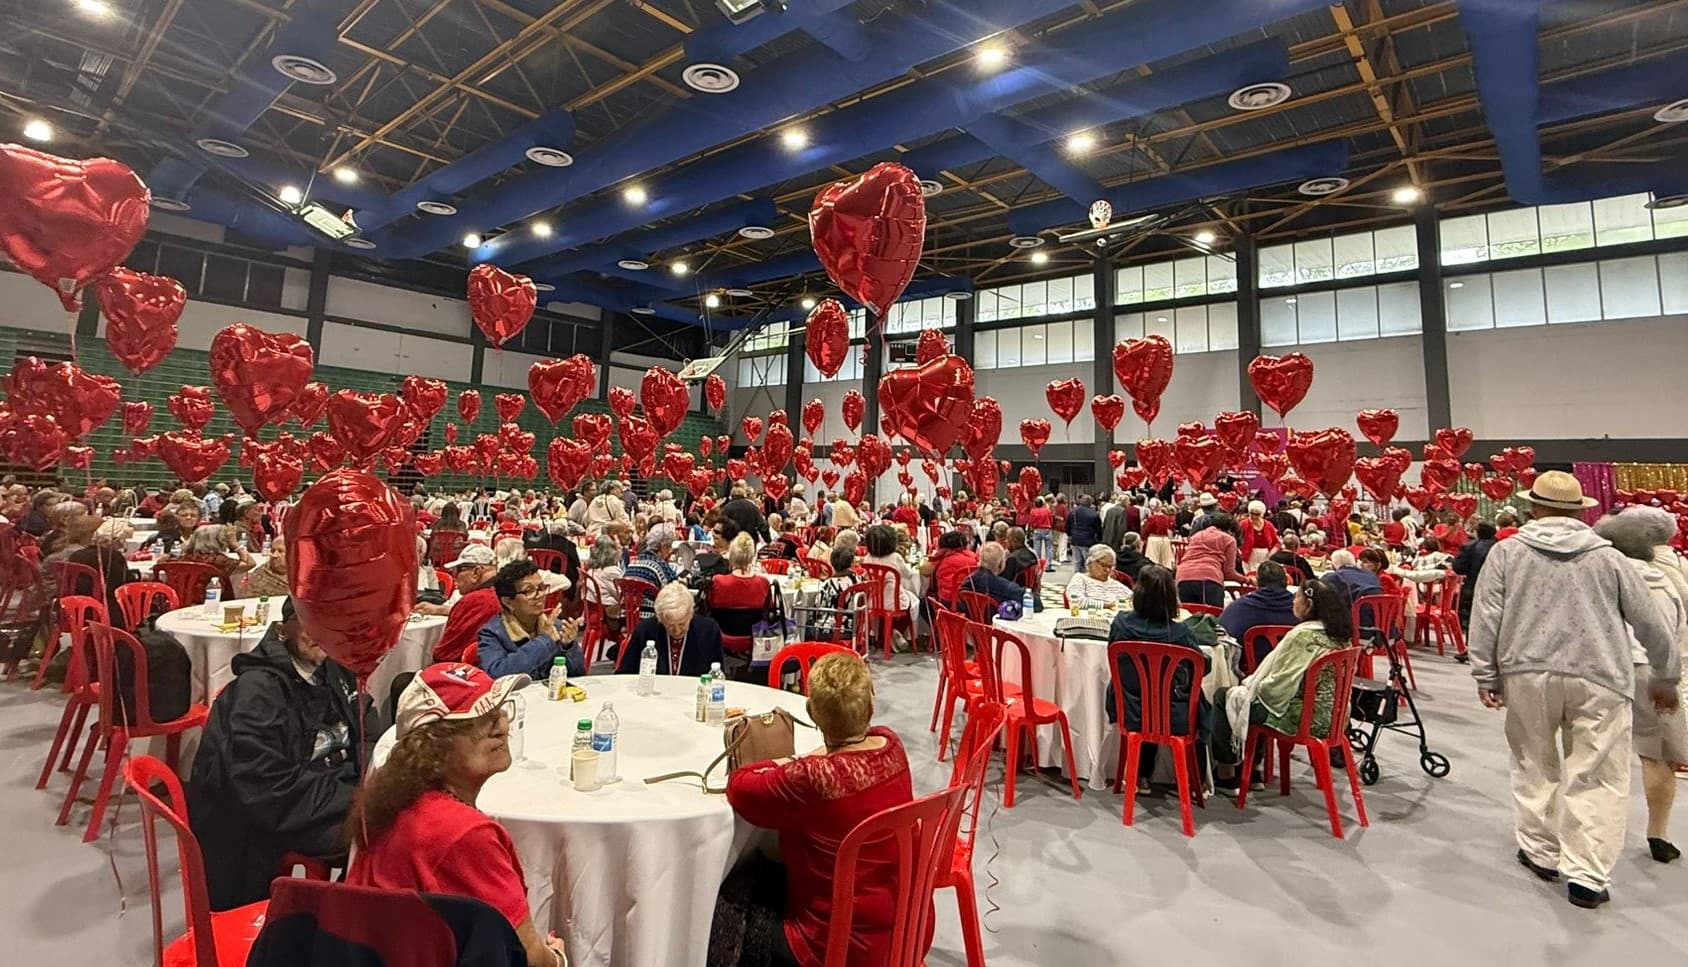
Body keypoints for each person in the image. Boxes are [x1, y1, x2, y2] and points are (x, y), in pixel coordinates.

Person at [1467, 471, 1679, 909]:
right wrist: (1665, 675)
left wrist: (1485, 673)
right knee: (1598, 772)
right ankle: (1587, 874)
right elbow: (1651, 624)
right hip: (1600, 673)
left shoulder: (1508, 553)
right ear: (1578, 510)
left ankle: (1541, 852)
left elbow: (1486, 614)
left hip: (1527, 671)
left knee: (1534, 762)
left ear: (1534, 508)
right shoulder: (1610, 558)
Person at [346, 665, 568, 967]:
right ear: (433, 747)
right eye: (481, 721)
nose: (502, 726)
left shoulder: (394, 801)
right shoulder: (464, 834)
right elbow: (526, 955)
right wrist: (557, 958)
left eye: (501, 711)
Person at [718, 653, 918, 966]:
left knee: (725, 896)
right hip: (907, 929)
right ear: (871, 704)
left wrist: (787, 761)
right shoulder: (892, 745)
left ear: (812, 712)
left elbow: (739, 787)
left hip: (832, 946)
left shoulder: (813, 778)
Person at [189, 598, 366, 911]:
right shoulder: (258, 693)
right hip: (267, 818)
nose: (321, 635)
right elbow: (264, 790)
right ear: (284, 630)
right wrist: (357, 797)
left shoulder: (333, 669)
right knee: (388, 840)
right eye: (310, 625)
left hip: (323, 791)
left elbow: (365, 726)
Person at [1594, 508, 1688, 864]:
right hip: (1656, 671)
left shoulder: (1604, 570)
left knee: (1596, 752)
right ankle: (1658, 833)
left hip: (1607, 668)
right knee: (1656, 755)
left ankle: (1594, 838)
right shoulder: (1675, 571)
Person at [1211, 578, 1354, 793]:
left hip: (1303, 718)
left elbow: (1279, 685)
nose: (1293, 601)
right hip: (1335, 717)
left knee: (1229, 697)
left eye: (1297, 597)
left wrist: (1248, 688)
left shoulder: (1303, 636)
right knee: (1252, 697)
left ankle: (1227, 773)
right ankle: (1255, 769)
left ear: (1309, 605)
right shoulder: (1342, 637)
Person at [1104, 565, 1209, 790]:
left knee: (1144, 691)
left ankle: (1139, 775)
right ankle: (1197, 779)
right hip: (1174, 715)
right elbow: (1201, 667)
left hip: (1129, 708)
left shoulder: (1120, 624)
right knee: (1195, 698)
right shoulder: (1181, 634)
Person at [475, 560, 586, 680]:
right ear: (508, 601)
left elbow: (579, 674)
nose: (539, 595)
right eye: (529, 591)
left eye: (541, 588)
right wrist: (544, 641)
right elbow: (496, 674)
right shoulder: (493, 633)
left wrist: (569, 647)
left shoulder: (555, 627)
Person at [616, 581, 726, 678]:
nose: (677, 631)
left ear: (690, 615)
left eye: (682, 624)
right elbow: (624, 675)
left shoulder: (709, 631)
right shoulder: (645, 630)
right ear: (660, 619)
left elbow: (717, 676)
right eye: (670, 625)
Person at [1219, 561, 1300, 664]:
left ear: (1257, 582)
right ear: (1286, 582)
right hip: (1292, 670)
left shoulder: (1238, 608)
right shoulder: (1301, 611)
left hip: (1249, 671)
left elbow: (1223, 635)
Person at [1174, 512, 1243, 608]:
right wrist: (1247, 580)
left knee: (1186, 617)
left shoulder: (1196, 536)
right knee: (1211, 618)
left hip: (1182, 577)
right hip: (1209, 579)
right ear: (1231, 531)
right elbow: (1229, 573)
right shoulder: (1229, 539)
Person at [1451, 521, 1499, 645]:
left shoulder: (1469, 547)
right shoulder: (1500, 547)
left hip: (1473, 585)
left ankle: (1471, 646)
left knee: (1473, 617)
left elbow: (1458, 568)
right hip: (1497, 587)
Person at [960, 542, 1043, 611]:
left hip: (970, 627)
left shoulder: (967, 582)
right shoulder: (1004, 587)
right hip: (995, 628)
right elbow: (1037, 603)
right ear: (1001, 564)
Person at [177, 523, 257, 589]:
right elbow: (250, 564)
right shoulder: (218, 560)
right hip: (214, 596)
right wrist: (236, 545)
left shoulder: (184, 558)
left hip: (183, 597)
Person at [861, 524, 917, 617]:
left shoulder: (867, 558)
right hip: (895, 603)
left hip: (873, 601)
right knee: (915, 600)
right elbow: (908, 575)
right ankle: (907, 630)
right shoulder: (895, 557)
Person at [923, 530, 978, 607]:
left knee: (923, 603)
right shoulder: (973, 557)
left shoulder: (942, 557)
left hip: (947, 602)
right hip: (970, 603)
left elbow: (924, 571)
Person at [237, 535, 290, 599]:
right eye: (273, 551)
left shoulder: (302, 575)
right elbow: (250, 599)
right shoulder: (261, 574)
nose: (274, 555)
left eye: (280, 551)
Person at [1238, 501, 1279, 570]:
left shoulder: (1268, 525)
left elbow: (1277, 543)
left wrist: (1271, 553)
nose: (1254, 516)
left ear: (1262, 514)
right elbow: (1236, 539)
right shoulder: (1243, 524)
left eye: (1257, 514)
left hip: (1266, 556)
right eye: (1252, 513)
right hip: (1248, 556)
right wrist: (1240, 552)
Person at [1067, 495, 1102, 572]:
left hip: (1075, 540)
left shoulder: (1073, 512)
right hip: (1088, 541)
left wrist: (1070, 534)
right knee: (1088, 563)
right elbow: (1098, 529)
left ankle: (1077, 579)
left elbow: (1067, 526)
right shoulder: (1094, 514)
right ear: (1090, 503)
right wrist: (1099, 539)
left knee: (1077, 562)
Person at [1142, 500, 1176, 568]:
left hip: (1153, 540)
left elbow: (1147, 530)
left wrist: (1143, 538)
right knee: (1165, 561)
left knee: (1153, 560)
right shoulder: (1166, 517)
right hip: (1165, 540)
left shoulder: (1151, 518)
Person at [1027, 498, 1054, 566]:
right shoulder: (1047, 510)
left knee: (1037, 548)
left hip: (1037, 530)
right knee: (1049, 548)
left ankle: (1038, 564)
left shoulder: (1033, 511)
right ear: (1042, 503)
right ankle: (1048, 564)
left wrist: (1032, 528)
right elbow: (1051, 520)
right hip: (1047, 529)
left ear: (1035, 504)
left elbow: (1031, 521)